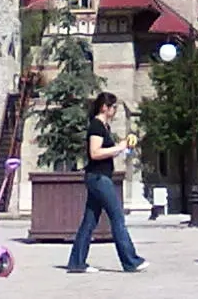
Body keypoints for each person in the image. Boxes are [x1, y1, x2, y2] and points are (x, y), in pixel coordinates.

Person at [66, 92, 146, 274]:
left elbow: (105, 152)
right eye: (113, 107)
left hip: (100, 177)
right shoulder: (96, 125)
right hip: (98, 178)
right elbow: (94, 153)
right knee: (117, 218)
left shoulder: (104, 126)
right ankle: (131, 261)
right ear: (105, 107)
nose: (115, 110)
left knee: (89, 221)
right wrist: (119, 147)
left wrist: (124, 147)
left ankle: (76, 263)